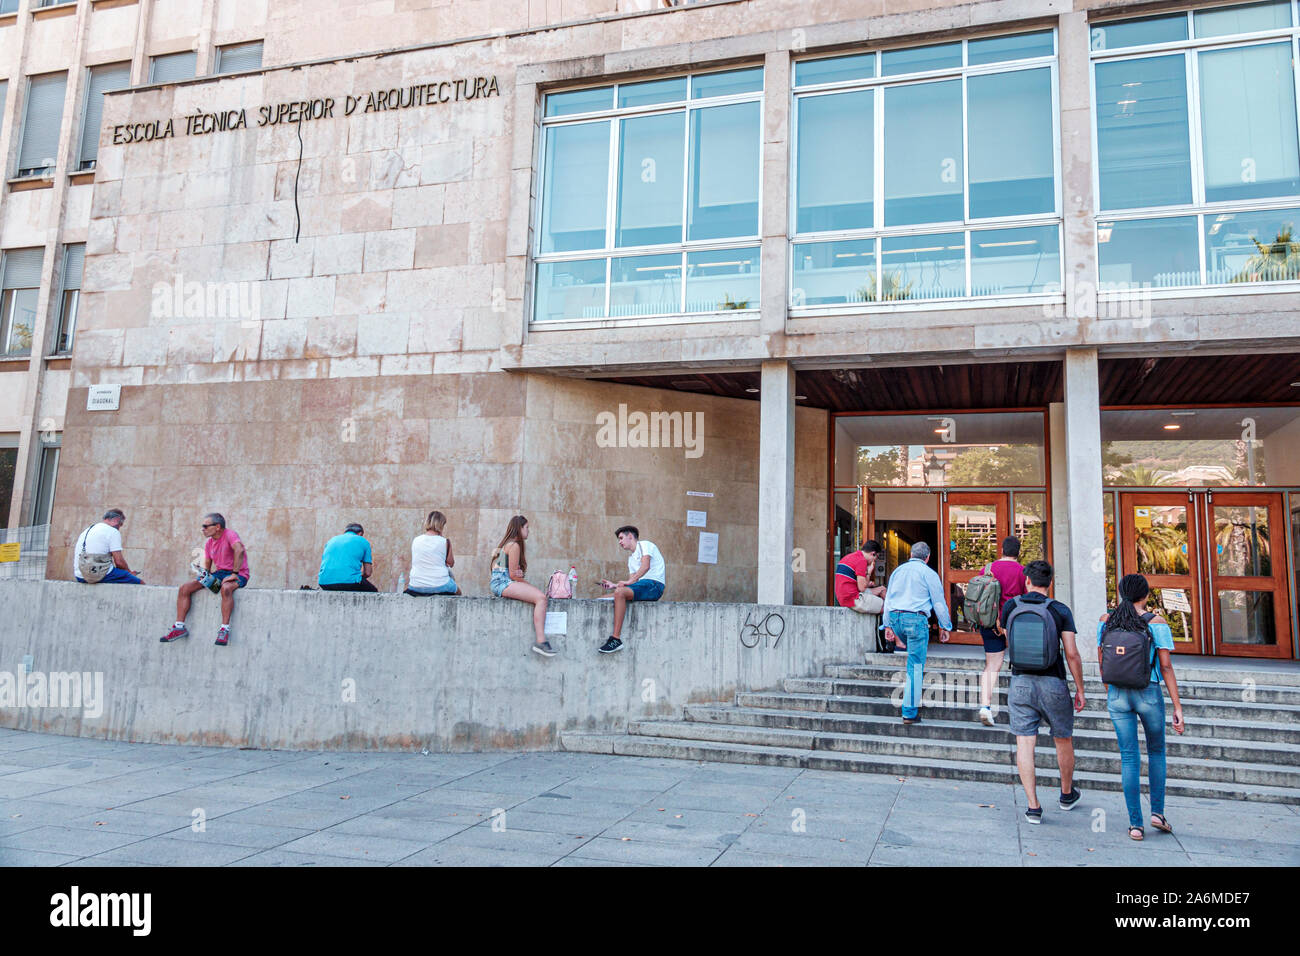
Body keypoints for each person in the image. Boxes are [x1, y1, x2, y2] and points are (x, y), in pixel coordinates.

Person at [1097, 573, 1186, 841]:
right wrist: (1177, 706)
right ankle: (1157, 813)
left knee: (1129, 757)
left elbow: (1102, 659)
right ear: (1145, 595)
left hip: (1117, 694)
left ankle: (1135, 824)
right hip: (1148, 692)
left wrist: (1109, 690)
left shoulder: (1107, 621)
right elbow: (1166, 666)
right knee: (1156, 751)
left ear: (1122, 593)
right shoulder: (1156, 623)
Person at [1003, 560, 1085, 824]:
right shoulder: (1060, 609)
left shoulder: (1011, 606)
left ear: (1027, 580)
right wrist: (1080, 688)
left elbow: (1009, 639)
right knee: (1063, 737)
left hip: (1020, 681)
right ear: (1050, 582)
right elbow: (1071, 653)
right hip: (1053, 681)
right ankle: (1065, 793)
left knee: (1024, 743)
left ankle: (1033, 806)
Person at [882, 541, 952, 725]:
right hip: (915, 620)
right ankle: (909, 712)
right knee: (916, 666)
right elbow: (938, 602)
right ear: (927, 557)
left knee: (911, 660)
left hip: (896, 619)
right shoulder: (929, 573)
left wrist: (887, 625)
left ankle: (900, 643)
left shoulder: (898, 571)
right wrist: (945, 626)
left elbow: (888, 600)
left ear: (911, 554)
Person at [161, 513, 249, 647]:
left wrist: (235, 573)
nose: (203, 529)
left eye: (205, 526)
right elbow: (207, 563)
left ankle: (224, 629)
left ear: (217, 527)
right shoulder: (209, 543)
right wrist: (204, 574)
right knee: (185, 588)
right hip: (220, 574)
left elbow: (240, 550)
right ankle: (179, 627)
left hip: (239, 574)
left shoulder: (230, 535)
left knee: (226, 589)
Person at [977, 536, 1029, 726]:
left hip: (989, 622)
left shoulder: (987, 569)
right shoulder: (1023, 571)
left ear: (1002, 549)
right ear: (1018, 552)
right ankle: (1022, 708)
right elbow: (1026, 597)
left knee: (992, 665)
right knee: (1022, 665)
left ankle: (985, 706)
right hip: (1014, 623)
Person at [489, 515, 554, 657]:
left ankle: (541, 642)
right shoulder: (514, 545)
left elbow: (511, 572)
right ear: (520, 528)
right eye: (527, 528)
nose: (528, 531)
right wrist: (528, 584)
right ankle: (541, 642)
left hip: (502, 581)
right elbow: (513, 575)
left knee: (540, 597)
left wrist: (518, 576)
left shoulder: (510, 544)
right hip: (502, 583)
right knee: (541, 598)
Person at [598, 526, 666, 654]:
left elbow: (646, 566)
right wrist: (614, 585)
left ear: (630, 536)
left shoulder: (645, 545)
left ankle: (616, 639)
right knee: (603, 598)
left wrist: (627, 583)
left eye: (621, 538)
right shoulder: (631, 560)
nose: (620, 542)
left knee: (619, 593)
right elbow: (632, 583)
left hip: (654, 585)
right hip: (642, 587)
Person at [72, 509, 143, 584]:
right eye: (120, 525)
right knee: (140, 583)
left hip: (80, 575)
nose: (119, 528)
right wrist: (130, 573)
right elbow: (119, 562)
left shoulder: (87, 530)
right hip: (99, 574)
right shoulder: (112, 531)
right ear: (116, 520)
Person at [407, 510, 460, 596]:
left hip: (415, 585)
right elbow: (451, 563)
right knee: (458, 592)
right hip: (440, 584)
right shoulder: (445, 542)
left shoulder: (416, 540)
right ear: (441, 525)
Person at [318, 523, 377, 592]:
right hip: (349, 583)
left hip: (324, 583)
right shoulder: (363, 541)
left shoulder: (331, 540)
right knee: (374, 592)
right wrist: (357, 577)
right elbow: (368, 572)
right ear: (360, 533)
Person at [835, 538, 886, 615]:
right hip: (852, 599)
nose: (874, 560)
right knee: (887, 607)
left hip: (844, 596)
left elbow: (860, 584)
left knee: (882, 589)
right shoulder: (861, 561)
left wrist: (867, 582)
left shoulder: (850, 557)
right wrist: (869, 572)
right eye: (876, 557)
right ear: (873, 553)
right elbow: (862, 588)